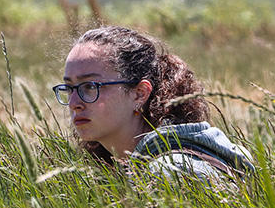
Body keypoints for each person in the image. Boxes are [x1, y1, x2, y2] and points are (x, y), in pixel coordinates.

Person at [54, 26, 253, 181]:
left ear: (139, 94)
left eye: (90, 86)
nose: (73, 103)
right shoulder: (130, 169)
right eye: (70, 88)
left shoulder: (171, 173)